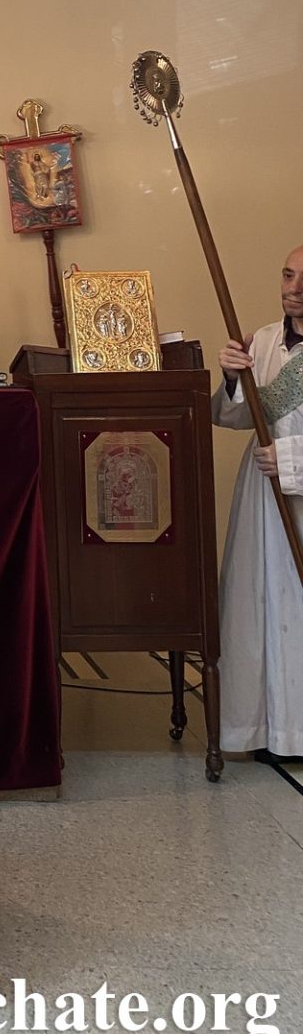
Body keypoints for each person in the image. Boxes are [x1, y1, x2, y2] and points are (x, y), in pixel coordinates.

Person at [213, 244, 303, 760]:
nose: (292, 289)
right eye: (287, 275)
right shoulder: (265, 340)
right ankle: (264, 730)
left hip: (294, 489)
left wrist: (292, 459)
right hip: (262, 497)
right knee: (258, 605)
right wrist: (231, 377)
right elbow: (235, 418)